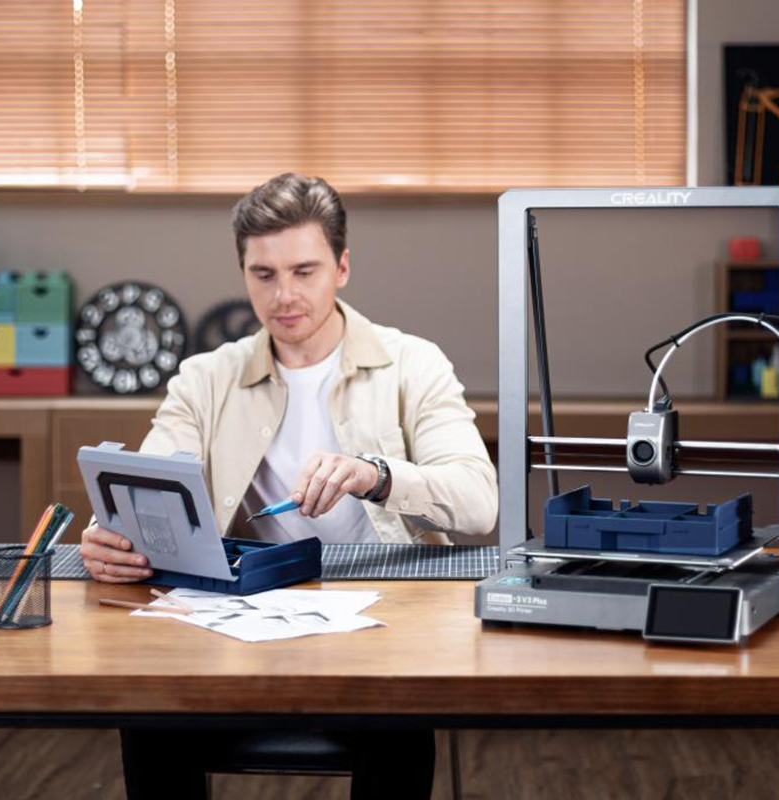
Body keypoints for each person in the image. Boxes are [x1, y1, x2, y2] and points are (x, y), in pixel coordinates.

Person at [79, 172, 498, 799]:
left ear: (343, 266)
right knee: (149, 714)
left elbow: (478, 502)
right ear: (244, 271)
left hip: (381, 623)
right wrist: (113, 536)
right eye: (264, 274)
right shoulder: (205, 378)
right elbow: (149, 486)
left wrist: (376, 475)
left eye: (305, 270)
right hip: (239, 619)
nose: (284, 296)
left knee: (396, 722)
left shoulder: (413, 363)